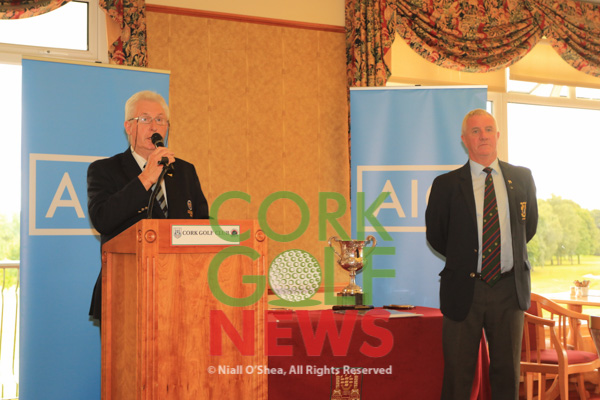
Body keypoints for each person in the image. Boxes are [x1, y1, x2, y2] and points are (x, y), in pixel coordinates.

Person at [425, 109, 538, 399]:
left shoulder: (522, 178)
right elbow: (436, 235)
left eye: (488, 129)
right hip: (463, 290)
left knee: (507, 375)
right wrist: (465, 259)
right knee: (457, 376)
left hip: (509, 290)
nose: (483, 136)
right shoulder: (446, 185)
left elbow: (527, 228)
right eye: (475, 131)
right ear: (464, 140)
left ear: (497, 135)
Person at [87, 90, 209, 322]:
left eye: (160, 120)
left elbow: (202, 226)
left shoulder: (184, 171)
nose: (154, 127)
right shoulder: (104, 170)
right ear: (129, 127)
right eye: (145, 119)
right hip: (124, 291)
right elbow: (103, 219)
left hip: (179, 292)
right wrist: (146, 178)